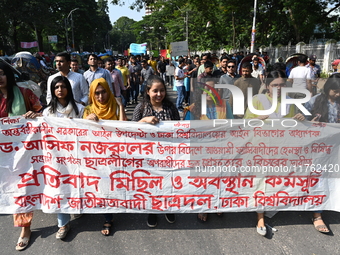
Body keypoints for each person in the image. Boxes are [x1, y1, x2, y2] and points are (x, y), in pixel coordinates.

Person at [244, 70, 305, 236]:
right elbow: (245, 123)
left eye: (282, 84)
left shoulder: (290, 103)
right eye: (275, 85)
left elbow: (293, 126)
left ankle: (271, 206)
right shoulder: (258, 100)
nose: (279, 88)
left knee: (275, 180)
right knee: (260, 182)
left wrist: (300, 118)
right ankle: (260, 217)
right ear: (267, 85)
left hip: (281, 149)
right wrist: (260, 117)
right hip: (261, 148)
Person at [0, 62, 43, 251]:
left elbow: (42, 112)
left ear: (8, 75)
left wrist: (33, 114)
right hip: (4, 154)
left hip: (25, 151)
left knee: (23, 188)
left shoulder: (25, 92)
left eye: (1, 73)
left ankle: (25, 229)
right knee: (9, 188)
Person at [131, 75, 179, 227]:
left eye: (162, 91)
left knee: (167, 182)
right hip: (148, 155)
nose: (159, 94)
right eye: (155, 91)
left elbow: (179, 127)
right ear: (148, 92)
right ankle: (152, 210)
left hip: (168, 154)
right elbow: (131, 130)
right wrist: (144, 120)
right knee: (151, 184)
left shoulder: (171, 107)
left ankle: (167, 207)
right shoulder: (142, 108)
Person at [43, 75, 85, 239]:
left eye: (63, 86)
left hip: (77, 154)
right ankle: (63, 224)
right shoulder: (47, 112)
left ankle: (77, 208)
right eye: (56, 87)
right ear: (53, 91)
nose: (60, 90)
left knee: (77, 183)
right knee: (59, 187)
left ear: (68, 89)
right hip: (56, 157)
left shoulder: (80, 109)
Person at [83, 77, 126, 235]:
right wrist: (87, 120)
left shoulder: (115, 106)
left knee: (115, 183)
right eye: (97, 93)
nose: (101, 97)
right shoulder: (88, 110)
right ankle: (108, 218)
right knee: (102, 186)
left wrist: (121, 106)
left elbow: (124, 127)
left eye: (103, 92)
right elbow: (80, 131)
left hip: (115, 153)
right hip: (96, 154)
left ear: (109, 91)